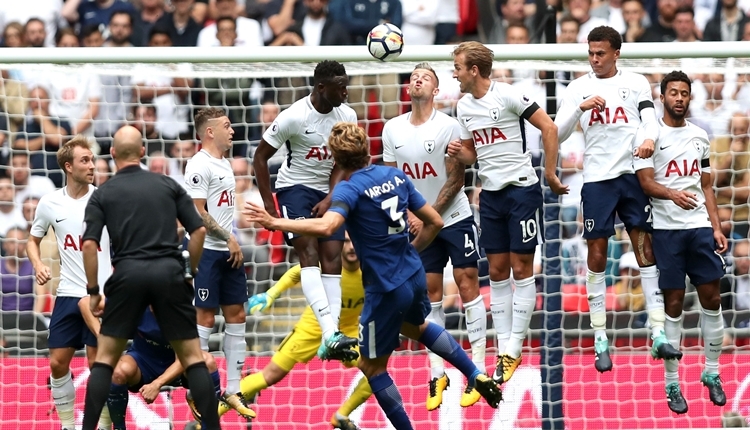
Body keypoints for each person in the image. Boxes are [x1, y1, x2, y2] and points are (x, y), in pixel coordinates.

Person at [244, 122, 502, 430]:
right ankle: (475, 373)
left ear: (335, 161)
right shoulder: (395, 176)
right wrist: (411, 252)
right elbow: (433, 222)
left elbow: (327, 227)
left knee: (371, 366)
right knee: (418, 327)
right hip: (413, 273)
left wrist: (277, 222)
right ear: (368, 149)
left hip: (383, 287)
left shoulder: (348, 189)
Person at [554, 25, 682, 372]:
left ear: (616, 53)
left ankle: (657, 329)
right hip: (597, 179)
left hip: (632, 174)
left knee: (645, 248)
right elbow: (557, 132)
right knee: (597, 252)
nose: (594, 59)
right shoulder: (578, 87)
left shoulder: (636, 82)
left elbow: (649, 121)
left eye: (600, 53)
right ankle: (600, 336)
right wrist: (579, 108)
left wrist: (648, 141)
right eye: (590, 53)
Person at [78, 125, 220, 430]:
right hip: (168, 272)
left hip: (128, 274)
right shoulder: (167, 184)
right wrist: (188, 273)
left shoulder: (103, 193)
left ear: (112, 154)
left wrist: (93, 291)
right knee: (195, 358)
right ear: (143, 152)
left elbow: (88, 244)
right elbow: (198, 230)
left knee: (104, 360)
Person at [446, 41, 567, 385]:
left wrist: (551, 173)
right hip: (491, 195)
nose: (454, 74)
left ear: (474, 70)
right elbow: (475, 154)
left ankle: (514, 346)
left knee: (521, 267)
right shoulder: (464, 107)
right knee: (496, 271)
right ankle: (503, 349)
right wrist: (460, 152)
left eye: (457, 67)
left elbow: (550, 127)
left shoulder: (510, 95)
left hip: (521, 191)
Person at [382, 62, 487, 409]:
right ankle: (436, 372)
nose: (416, 80)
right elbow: (391, 180)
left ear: (436, 89)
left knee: (468, 279)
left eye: (425, 77)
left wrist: (426, 216)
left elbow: (456, 180)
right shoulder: (392, 129)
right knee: (429, 294)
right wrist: (408, 214)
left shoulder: (449, 125)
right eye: (413, 76)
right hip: (418, 220)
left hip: (452, 216)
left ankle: (480, 371)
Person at [634, 71, 727, 414]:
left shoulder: (701, 136)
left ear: (690, 98)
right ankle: (672, 384)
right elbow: (645, 182)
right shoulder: (649, 136)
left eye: (684, 93)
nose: (679, 98)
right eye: (673, 92)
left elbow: (705, 186)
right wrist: (671, 193)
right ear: (662, 97)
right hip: (667, 231)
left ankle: (712, 373)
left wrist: (716, 227)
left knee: (712, 298)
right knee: (673, 304)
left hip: (699, 227)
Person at [252, 60, 358, 360]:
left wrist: (331, 195)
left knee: (333, 258)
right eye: (341, 88)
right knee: (308, 253)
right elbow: (260, 158)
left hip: (329, 189)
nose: (346, 93)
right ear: (321, 88)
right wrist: (270, 208)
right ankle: (329, 333)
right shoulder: (294, 116)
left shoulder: (347, 115)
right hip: (294, 189)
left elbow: (344, 161)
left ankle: (332, 334)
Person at [212, 232, 366, 430]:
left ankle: (341, 416)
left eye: (354, 240)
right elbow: (296, 272)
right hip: (313, 327)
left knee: (376, 372)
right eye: (345, 241)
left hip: (349, 331)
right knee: (271, 375)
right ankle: (208, 418)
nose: (351, 247)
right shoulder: (328, 262)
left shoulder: (370, 268)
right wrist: (270, 294)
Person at [26, 136, 114, 430]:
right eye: (85, 160)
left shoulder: (105, 199)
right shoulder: (50, 203)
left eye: (92, 160)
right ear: (68, 166)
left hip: (100, 296)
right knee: (57, 364)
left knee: (97, 365)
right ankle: (66, 425)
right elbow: (32, 240)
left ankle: (101, 426)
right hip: (67, 294)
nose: (92, 166)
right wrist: (38, 264)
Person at [182, 107, 255, 418]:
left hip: (228, 249)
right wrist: (228, 236)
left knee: (238, 314)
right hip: (209, 252)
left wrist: (230, 239)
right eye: (227, 126)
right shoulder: (198, 165)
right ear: (209, 131)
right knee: (206, 319)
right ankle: (197, 388)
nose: (233, 131)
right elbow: (197, 212)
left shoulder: (224, 162)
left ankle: (233, 389)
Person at [103, 307, 226, 429]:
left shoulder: (181, 313)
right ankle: (119, 427)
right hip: (143, 363)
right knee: (117, 372)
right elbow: (90, 304)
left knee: (207, 362)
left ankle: (210, 426)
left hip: (177, 366)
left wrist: (156, 384)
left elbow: (185, 358)